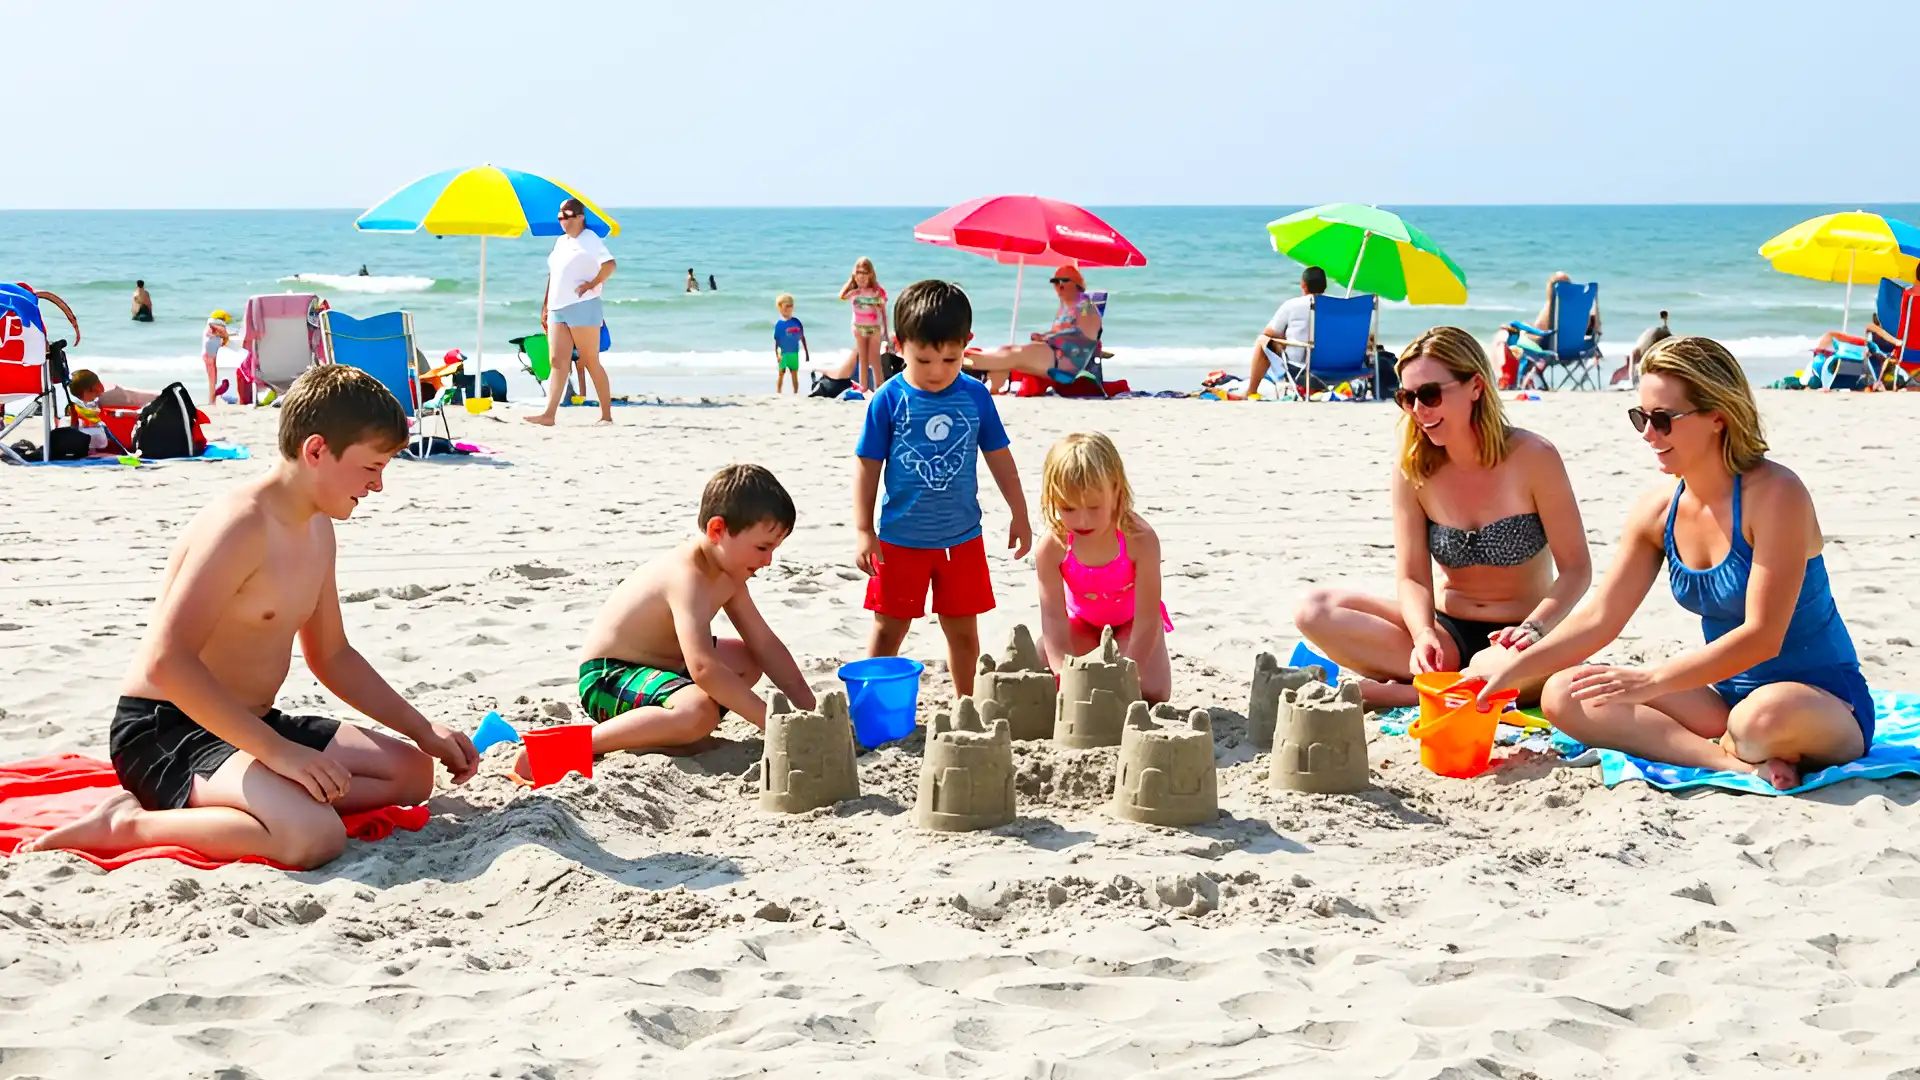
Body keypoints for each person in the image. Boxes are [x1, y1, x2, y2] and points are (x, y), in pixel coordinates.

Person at [20, 366, 481, 867]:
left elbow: (332, 655)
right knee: (312, 836)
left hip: (252, 723)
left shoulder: (317, 528)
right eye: (373, 467)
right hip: (169, 729)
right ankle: (126, 824)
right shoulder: (241, 525)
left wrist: (422, 731)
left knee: (411, 774)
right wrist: (280, 755)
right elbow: (166, 663)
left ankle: (261, 795)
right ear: (317, 451)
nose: (378, 486)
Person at [1472, 336, 1875, 790]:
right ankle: (1737, 764)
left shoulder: (1777, 495)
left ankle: (1745, 745)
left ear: (1717, 418)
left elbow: (1763, 637)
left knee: (1759, 720)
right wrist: (1511, 672)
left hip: (1823, 704)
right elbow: (1602, 618)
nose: (1647, 433)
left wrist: (1652, 682)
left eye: (1662, 420)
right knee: (1564, 693)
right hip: (1724, 700)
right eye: (1640, 417)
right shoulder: (1658, 511)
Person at [1294, 326, 1592, 707]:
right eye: (1407, 397)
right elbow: (1412, 576)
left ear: (1475, 387)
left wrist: (1534, 628)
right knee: (1313, 609)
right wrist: (1423, 636)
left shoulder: (1534, 457)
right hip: (1445, 630)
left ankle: (1411, 694)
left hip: (1524, 633)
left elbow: (1576, 570)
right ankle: (1446, 686)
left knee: (1493, 670)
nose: (1419, 410)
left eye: (1430, 395)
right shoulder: (1414, 469)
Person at [518, 465, 817, 775]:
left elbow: (765, 644)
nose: (768, 561)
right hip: (609, 677)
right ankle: (565, 746)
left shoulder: (728, 574)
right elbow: (703, 669)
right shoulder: (687, 577)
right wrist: (774, 724)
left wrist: (810, 710)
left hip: (661, 668)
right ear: (718, 531)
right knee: (698, 711)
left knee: (749, 658)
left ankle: (665, 733)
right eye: (762, 548)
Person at [855, 280, 1032, 697]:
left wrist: (1019, 513)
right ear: (900, 345)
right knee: (888, 628)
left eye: (950, 359)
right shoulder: (888, 400)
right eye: (924, 359)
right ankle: (873, 702)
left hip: (962, 540)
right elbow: (867, 466)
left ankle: (965, 703)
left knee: (964, 632)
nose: (937, 371)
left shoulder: (975, 397)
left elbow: (1000, 458)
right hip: (899, 539)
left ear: (967, 345)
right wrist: (864, 530)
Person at [1034, 432, 1172, 703]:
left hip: (1132, 625)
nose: (1082, 520)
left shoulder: (1139, 539)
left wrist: (1128, 669)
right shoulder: (1052, 547)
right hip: (1083, 624)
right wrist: (1063, 670)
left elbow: (1147, 618)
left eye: (1094, 507)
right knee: (1041, 666)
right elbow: (1053, 619)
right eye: (1068, 508)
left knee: (1154, 691)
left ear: (1117, 491)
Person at [526, 198, 616, 426]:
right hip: (558, 308)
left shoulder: (590, 239)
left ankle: (606, 415)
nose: (562, 220)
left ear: (579, 217)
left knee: (589, 359)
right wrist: (546, 306)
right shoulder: (560, 242)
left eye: (566, 216)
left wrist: (591, 284)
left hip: (583, 306)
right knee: (557, 361)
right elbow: (554, 275)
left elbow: (609, 265)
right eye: (559, 217)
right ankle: (549, 415)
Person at [962, 265, 1103, 388]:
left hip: (1064, 364)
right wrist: (1045, 336)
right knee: (1008, 352)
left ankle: (964, 361)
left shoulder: (1085, 306)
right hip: (1054, 355)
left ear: (1077, 284)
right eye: (1055, 281)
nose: (1059, 285)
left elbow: (1084, 337)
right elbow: (1063, 332)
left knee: (1013, 355)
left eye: (1064, 280)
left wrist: (1048, 338)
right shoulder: (1067, 307)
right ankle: (983, 376)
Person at [1243, 266, 1328, 400]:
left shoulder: (1293, 305)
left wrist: (1280, 340)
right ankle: (1314, 389)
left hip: (1300, 369)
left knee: (1263, 340)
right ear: (1325, 286)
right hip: (1334, 367)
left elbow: (1269, 332)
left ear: (1303, 285)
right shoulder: (1338, 306)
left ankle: (1251, 391)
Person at [1612, 310, 1671, 387]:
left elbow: (1633, 354)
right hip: (1659, 339)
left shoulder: (1641, 355)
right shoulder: (1643, 355)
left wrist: (1632, 379)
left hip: (1656, 341)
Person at [68, 369, 158, 409]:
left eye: (80, 395)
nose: (80, 399)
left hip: (155, 401)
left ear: (94, 388)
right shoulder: (104, 390)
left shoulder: (106, 398)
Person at [773, 294, 808, 395]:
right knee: (781, 373)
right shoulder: (779, 324)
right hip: (783, 353)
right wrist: (777, 354)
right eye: (785, 307)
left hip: (794, 353)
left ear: (793, 307)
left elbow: (802, 337)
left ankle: (796, 393)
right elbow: (777, 341)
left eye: (790, 306)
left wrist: (806, 353)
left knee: (794, 374)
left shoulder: (796, 322)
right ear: (779, 308)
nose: (787, 309)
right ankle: (778, 392)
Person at [202, 309, 234, 403]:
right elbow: (225, 335)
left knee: (212, 380)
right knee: (212, 380)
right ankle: (212, 400)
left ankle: (212, 399)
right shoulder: (217, 326)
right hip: (209, 356)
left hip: (208, 355)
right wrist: (226, 337)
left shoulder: (210, 327)